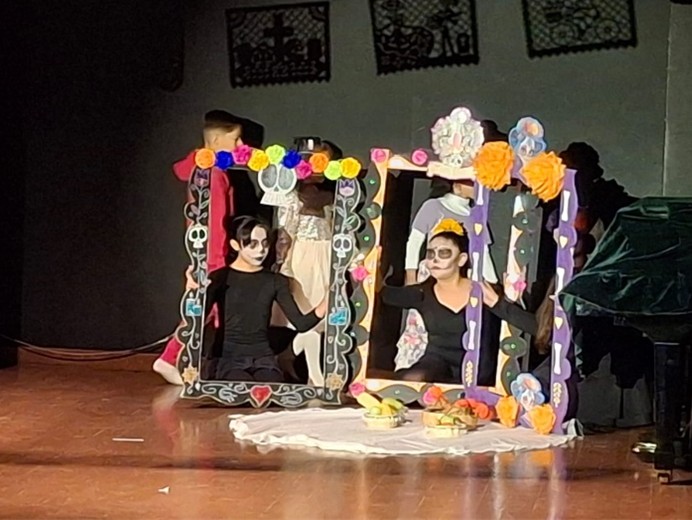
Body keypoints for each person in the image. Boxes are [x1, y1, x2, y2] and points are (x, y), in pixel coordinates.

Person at [153, 110, 246, 385]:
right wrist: (216, 260)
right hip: (211, 253)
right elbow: (214, 221)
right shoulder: (212, 175)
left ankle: (199, 362)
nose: (240, 145)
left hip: (206, 251)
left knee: (210, 310)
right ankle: (170, 358)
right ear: (216, 141)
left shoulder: (206, 169)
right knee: (203, 307)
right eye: (236, 139)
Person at [196, 217, 328, 382]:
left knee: (268, 389)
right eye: (253, 244)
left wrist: (326, 302)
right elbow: (197, 320)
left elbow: (301, 324)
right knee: (241, 388)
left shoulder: (275, 281)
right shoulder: (220, 278)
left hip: (264, 359)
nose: (260, 250)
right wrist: (193, 294)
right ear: (235, 245)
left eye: (265, 244)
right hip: (228, 358)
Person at [396, 179, 498, 371]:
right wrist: (411, 276)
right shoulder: (434, 206)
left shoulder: (476, 215)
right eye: (471, 183)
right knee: (419, 324)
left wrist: (493, 284)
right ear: (456, 184)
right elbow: (414, 242)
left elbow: (483, 252)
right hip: (431, 274)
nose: (478, 187)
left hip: (461, 278)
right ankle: (412, 367)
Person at [379, 221, 499, 384]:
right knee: (414, 379)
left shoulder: (484, 293)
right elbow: (383, 293)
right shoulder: (423, 293)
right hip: (436, 364)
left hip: (478, 370)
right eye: (430, 254)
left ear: (462, 259)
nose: (435, 260)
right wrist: (367, 269)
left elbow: (510, 314)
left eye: (444, 253)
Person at [272, 139, 342, 386]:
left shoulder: (332, 196)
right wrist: (281, 261)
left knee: (323, 317)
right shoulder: (293, 196)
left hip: (326, 257)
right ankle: (315, 376)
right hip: (303, 259)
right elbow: (285, 231)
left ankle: (289, 356)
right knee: (308, 315)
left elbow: (337, 229)